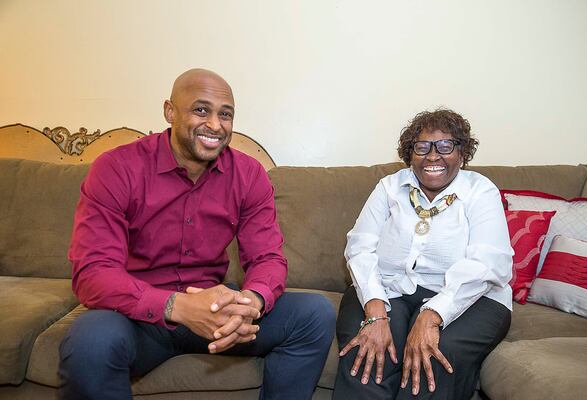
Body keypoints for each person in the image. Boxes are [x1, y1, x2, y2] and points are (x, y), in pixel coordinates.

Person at [59, 68, 335, 400]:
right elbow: (93, 273)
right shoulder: (116, 168)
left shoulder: (248, 175)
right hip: (137, 317)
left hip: (217, 310)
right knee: (89, 340)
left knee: (313, 314)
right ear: (169, 111)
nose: (216, 125)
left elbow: (267, 258)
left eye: (226, 114)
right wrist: (177, 306)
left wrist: (253, 302)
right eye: (201, 110)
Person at [333, 109, 513, 399]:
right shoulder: (390, 187)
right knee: (367, 353)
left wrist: (431, 315)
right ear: (410, 153)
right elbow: (359, 247)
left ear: (462, 152)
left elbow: (489, 265)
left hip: (474, 297)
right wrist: (375, 314)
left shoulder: (480, 191)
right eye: (422, 146)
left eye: (445, 146)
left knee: (433, 356)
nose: (433, 156)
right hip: (388, 287)